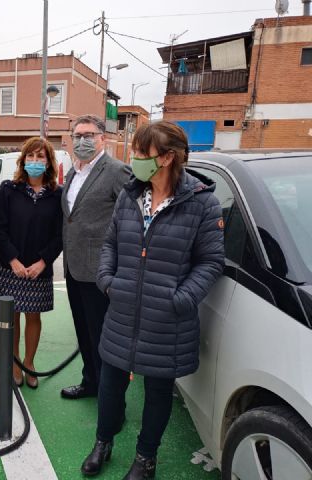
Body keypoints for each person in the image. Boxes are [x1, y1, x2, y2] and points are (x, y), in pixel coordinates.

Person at [80, 121, 225, 478]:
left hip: (167, 320)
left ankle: (145, 458)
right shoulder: (130, 196)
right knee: (110, 384)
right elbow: (111, 243)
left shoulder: (202, 204)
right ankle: (103, 441)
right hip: (122, 311)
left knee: (158, 392)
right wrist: (107, 281)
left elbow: (211, 262)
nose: (135, 159)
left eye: (142, 152)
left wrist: (180, 298)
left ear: (168, 158)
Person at [60, 115, 131, 400]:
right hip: (74, 267)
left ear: (103, 138)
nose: (82, 141)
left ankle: (111, 397)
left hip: (100, 269)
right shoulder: (73, 172)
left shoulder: (116, 171)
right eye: (77, 136)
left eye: (88, 135)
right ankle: (90, 382)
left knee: (103, 335)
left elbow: (131, 217)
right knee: (84, 331)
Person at [0, 137, 63, 389]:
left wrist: (43, 262)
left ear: (48, 162)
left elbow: (60, 234)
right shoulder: (9, 189)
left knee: (34, 316)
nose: (35, 161)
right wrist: (12, 259)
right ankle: (15, 364)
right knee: (11, 317)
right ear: (23, 160)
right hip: (9, 267)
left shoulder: (57, 194)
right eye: (30, 156)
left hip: (38, 269)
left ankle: (29, 362)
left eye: (40, 156)